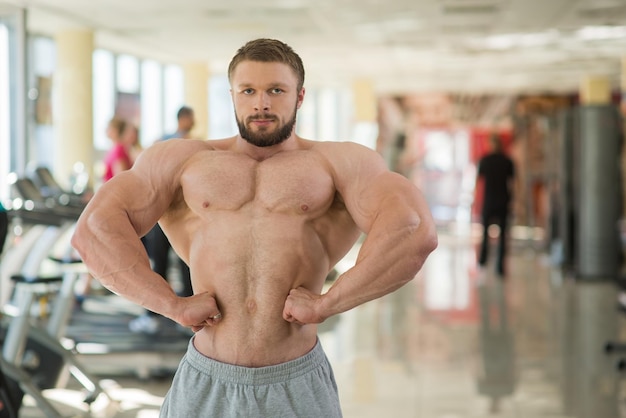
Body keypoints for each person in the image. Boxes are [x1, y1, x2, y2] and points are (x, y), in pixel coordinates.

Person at [71, 38, 438, 417]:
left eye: (276, 90)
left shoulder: (338, 163)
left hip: (296, 380)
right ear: (232, 95)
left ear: (299, 97)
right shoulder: (182, 161)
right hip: (205, 378)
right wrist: (170, 305)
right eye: (248, 91)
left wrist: (329, 303)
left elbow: (412, 230)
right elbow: (95, 230)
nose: (261, 102)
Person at [128, 107, 195, 334]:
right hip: (163, 215)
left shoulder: (191, 144)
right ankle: (153, 314)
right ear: (183, 119)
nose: (193, 121)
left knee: (186, 264)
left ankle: (186, 313)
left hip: (183, 215)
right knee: (161, 266)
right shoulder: (169, 142)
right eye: (191, 117)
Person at [476, 133, 515, 276]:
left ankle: (483, 262)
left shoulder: (486, 160)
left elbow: (478, 182)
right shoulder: (507, 161)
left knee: (489, 234)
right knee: (501, 235)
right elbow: (513, 184)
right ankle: (498, 267)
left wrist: (475, 200)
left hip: (491, 202)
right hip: (502, 201)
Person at [102, 117, 132, 183]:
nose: (106, 130)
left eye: (109, 127)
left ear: (115, 131)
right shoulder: (113, 149)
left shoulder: (118, 150)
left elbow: (120, 179)